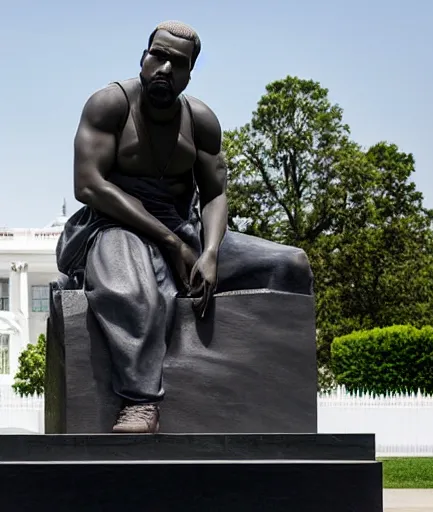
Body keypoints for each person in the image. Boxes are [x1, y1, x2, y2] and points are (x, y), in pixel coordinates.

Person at [56, 20, 313, 433]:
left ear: (189, 72)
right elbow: (89, 185)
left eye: (176, 62)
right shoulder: (109, 105)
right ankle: (139, 403)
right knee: (132, 290)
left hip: (183, 228)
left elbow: (214, 193)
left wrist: (210, 253)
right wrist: (173, 245)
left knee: (290, 266)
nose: (163, 68)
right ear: (143, 55)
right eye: (157, 55)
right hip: (112, 225)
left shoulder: (201, 120)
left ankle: (275, 403)